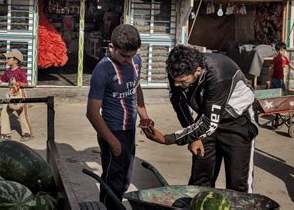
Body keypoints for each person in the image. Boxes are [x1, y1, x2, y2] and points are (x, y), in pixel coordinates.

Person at [143, 45, 258, 193]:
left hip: (237, 122)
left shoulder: (219, 74)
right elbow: (178, 103)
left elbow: (210, 123)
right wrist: (193, 137)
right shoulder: (177, 71)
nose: (176, 84)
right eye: (174, 80)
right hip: (206, 117)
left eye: (182, 81)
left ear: (198, 71)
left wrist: (168, 139)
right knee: (200, 180)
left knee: (238, 183)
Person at [86, 24, 153, 208]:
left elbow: (136, 88)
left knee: (125, 178)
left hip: (129, 130)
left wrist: (144, 116)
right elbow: (92, 113)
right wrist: (113, 142)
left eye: (131, 55)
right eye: (123, 55)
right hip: (112, 132)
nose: (127, 60)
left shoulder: (136, 61)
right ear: (111, 48)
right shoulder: (102, 71)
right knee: (112, 182)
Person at [0, 49, 34, 141]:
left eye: (9, 58)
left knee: (22, 114)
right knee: (4, 111)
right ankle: (5, 134)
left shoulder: (20, 71)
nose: (6, 60)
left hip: (20, 93)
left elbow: (26, 84)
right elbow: (1, 80)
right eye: (6, 58)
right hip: (11, 94)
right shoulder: (8, 71)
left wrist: (18, 83)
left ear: (16, 60)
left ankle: (27, 133)